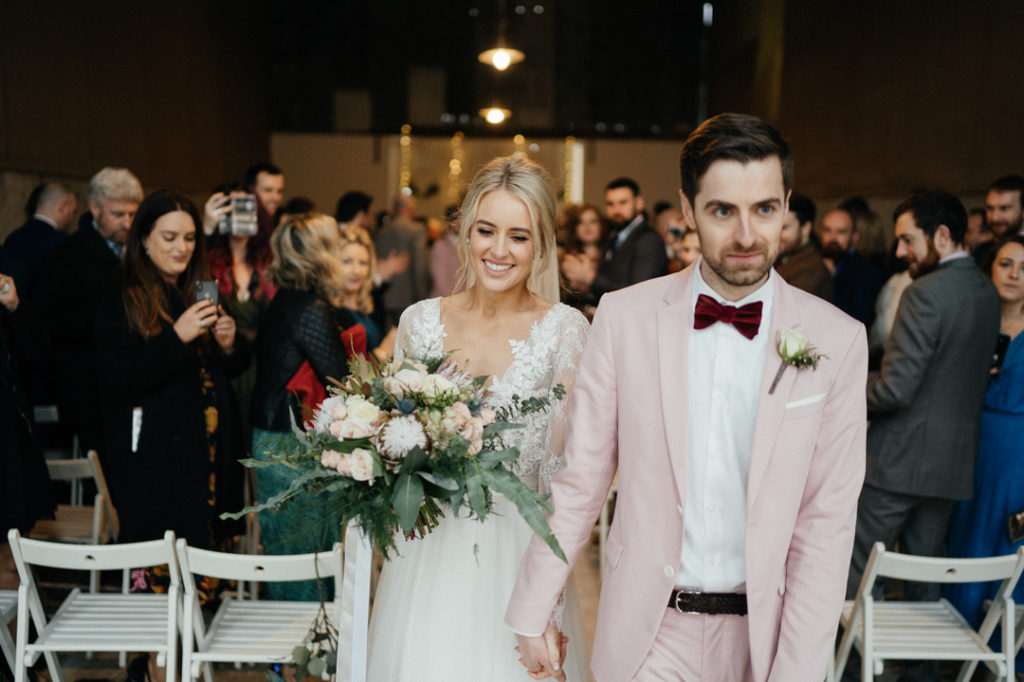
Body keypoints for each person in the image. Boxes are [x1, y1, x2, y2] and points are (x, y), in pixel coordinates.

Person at [508, 113, 867, 682]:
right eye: (724, 210)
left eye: (765, 209)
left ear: (788, 205)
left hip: (765, 639)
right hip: (650, 634)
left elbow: (826, 525)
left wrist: (797, 671)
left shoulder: (839, 340)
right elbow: (582, 479)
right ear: (688, 209)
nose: (747, 235)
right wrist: (532, 609)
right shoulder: (626, 318)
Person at [367, 156, 591, 681]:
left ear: (541, 244)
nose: (498, 250)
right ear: (465, 232)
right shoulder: (419, 322)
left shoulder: (565, 330)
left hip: (520, 563)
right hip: (427, 560)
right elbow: (396, 449)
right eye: (486, 230)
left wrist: (547, 608)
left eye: (519, 236)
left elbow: (566, 482)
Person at [845, 190, 1001, 681]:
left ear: (941, 235)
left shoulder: (925, 293)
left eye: (907, 240)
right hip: (951, 467)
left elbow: (894, 390)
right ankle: (917, 677)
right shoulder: (984, 291)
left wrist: (841, 388)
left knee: (854, 575)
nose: (899, 252)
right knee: (924, 583)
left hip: (897, 462)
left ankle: (843, 670)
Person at [94, 190, 249, 552]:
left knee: (206, 558)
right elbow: (118, 378)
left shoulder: (197, 289)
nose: (182, 247)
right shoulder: (120, 295)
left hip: (208, 445)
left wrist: (228, 344)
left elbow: (231, 368)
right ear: (144, 239)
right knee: (166, 563)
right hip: (158, 455)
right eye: (170, 237)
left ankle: (203, 607)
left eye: (190, 237)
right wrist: (176, 338)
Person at [249, 213, 361, 600]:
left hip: (273, 437)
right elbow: (340, 377)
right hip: (291, 445)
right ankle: (303, 649)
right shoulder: (309, 308)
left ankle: (292, 653)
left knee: (289, 549)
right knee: (307, 554)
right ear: (323, 253)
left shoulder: (284, 300)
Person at [946, 235, 1024, 639]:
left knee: (1005, 539)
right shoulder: (972, 317)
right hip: (967, 444)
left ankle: (1002, 645)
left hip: (1016, 457)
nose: (1014, 275)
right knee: (964, 531)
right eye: (1006, 264)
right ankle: (956, 642)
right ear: (990, 267)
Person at [36, 167, 142, 455]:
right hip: (89, 388)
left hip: (133, 384)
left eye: (133, 214)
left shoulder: (141, 253)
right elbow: (53, 322)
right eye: (118, 214)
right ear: (95, 208)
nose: (127, 222)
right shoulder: (67, 256)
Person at [0, 270, 55, 589]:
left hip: (9, 445)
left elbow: (39, 355)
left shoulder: (6, 303)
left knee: (11, 555)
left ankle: (14, 638)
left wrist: (15, 306)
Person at [560, 177, 668, 304]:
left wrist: (590, 278)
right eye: (610, 204)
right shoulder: (614, 236)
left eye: (623, 203)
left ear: (638, 203)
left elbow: (640, 294)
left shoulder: (648, 239)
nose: (616, 210)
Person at [337, 224, 395, 357]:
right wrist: (383, 351)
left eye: (362, 263)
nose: (356, 271)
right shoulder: (329, 311)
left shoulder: (371, 302)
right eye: (347, 262)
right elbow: (344, 373)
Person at [373, 194, 430, 328]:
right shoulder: (417, 230)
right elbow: (419, 267)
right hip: (407, 297)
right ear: (411, 208)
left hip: (383, 296)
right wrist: (423, 299)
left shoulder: (381, 231)